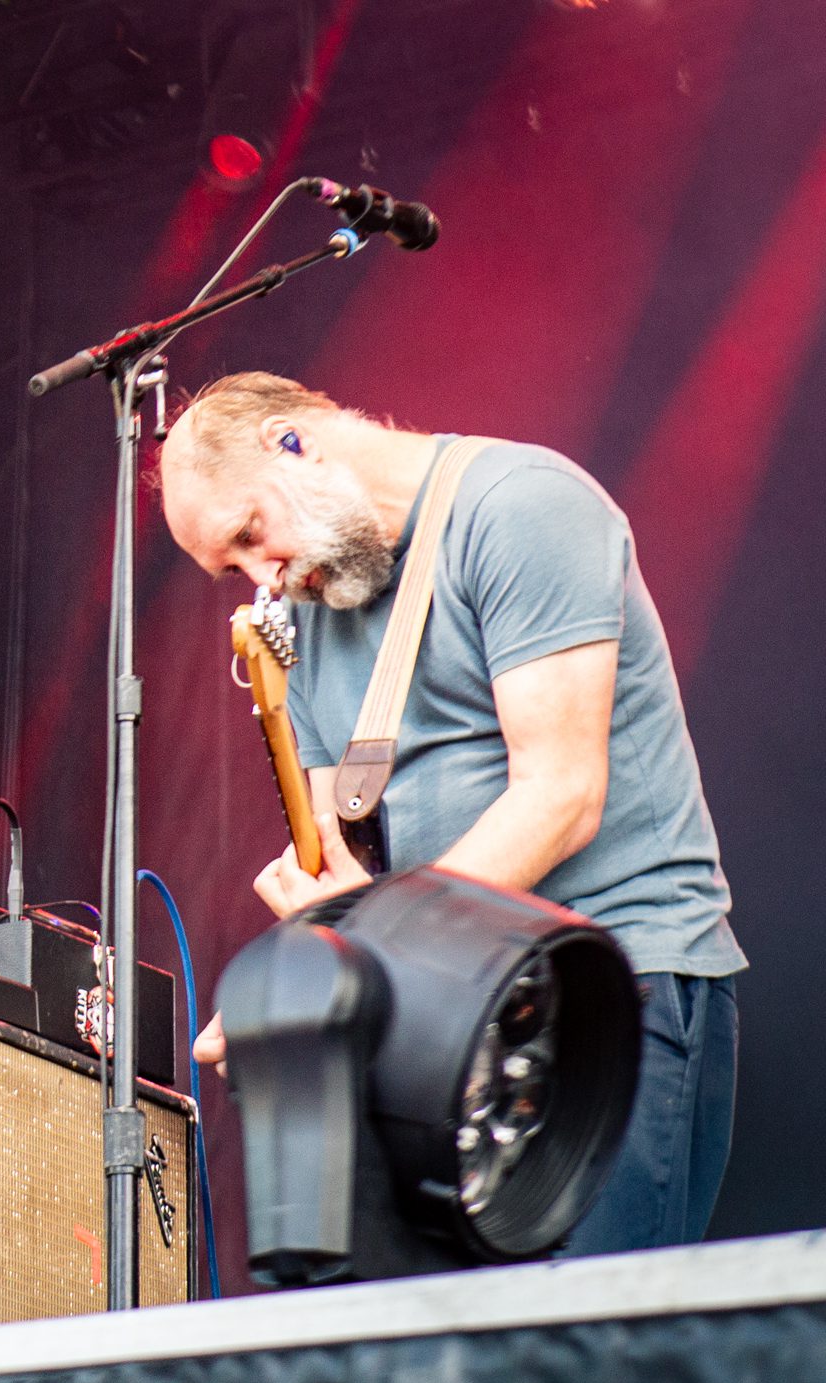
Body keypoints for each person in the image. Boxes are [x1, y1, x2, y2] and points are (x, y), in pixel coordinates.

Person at [155, 372, 743, 1254]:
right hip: (459, 1010)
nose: (259, 578)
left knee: (596, 1365)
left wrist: (356, 954)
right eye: (229, 570)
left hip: (616, 985)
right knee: (469, 1374)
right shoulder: (307, 623)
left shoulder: (521, 507)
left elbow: (561, 796)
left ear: (294, 443)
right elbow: (350, 876)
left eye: (249, 536)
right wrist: (305, 968)